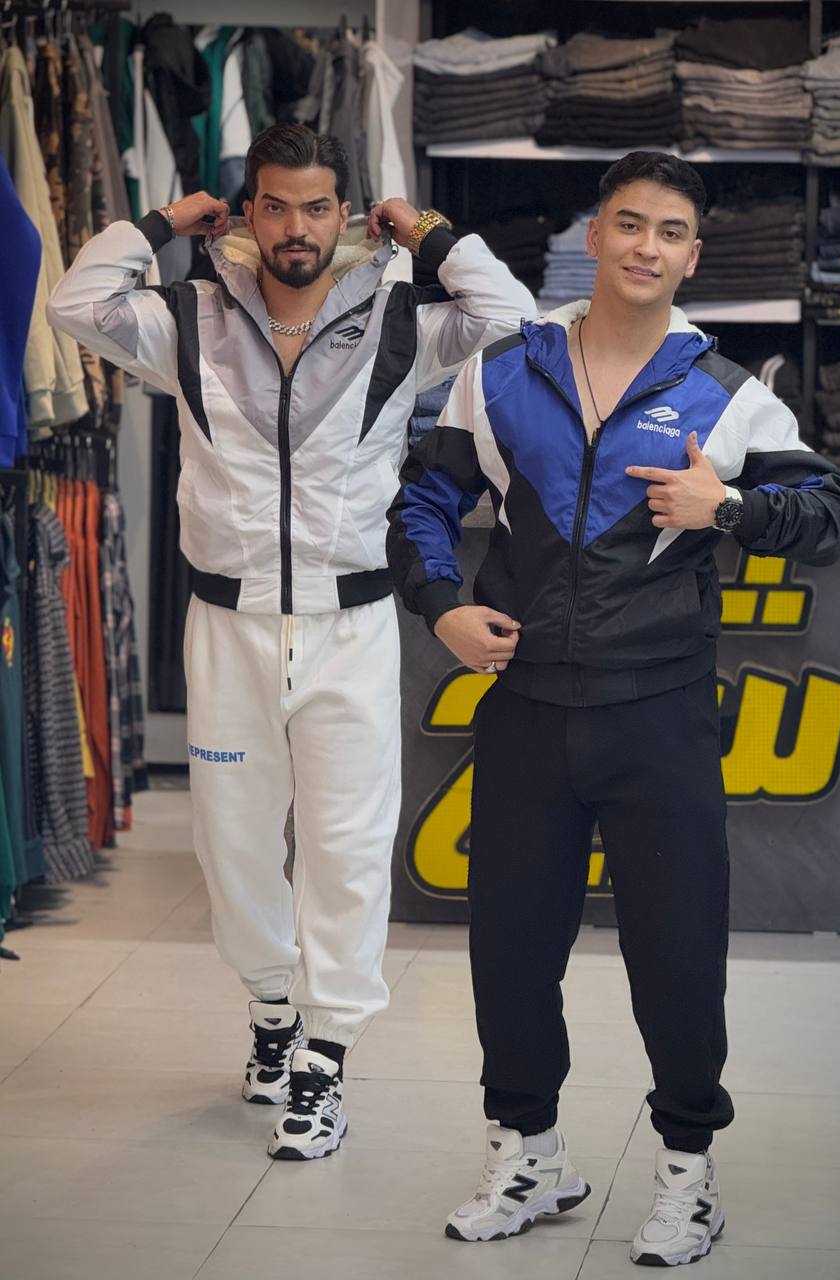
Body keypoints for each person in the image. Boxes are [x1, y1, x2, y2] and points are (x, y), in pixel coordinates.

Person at [386, 150, 840, 1265]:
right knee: (510, 952)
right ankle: (529, 1156)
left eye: (671, 231)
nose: (648, 246)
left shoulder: (727, 392)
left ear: (693, 256)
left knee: (677, 954)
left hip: (660, 715)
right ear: (593, 235)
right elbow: (422, 500)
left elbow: (829, 513)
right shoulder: (504, 372)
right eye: (631, 223)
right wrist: (443, 607)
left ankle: (689, 1175)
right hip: (527, 711)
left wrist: (726, 505)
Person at [47, 124, 535, 1162]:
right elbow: (74, 304)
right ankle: (271, 1008)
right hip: (227, 625)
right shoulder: (189, 317)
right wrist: (163, 221)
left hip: (351, 624)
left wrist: (429, 231)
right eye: (275, 205)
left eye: (317, 207)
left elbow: (511, 315)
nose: (297, 228)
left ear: (346, 214)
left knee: (347, 846)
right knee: (230, 846)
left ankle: (327, 1052)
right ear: (250, 212)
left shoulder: (400, 320)